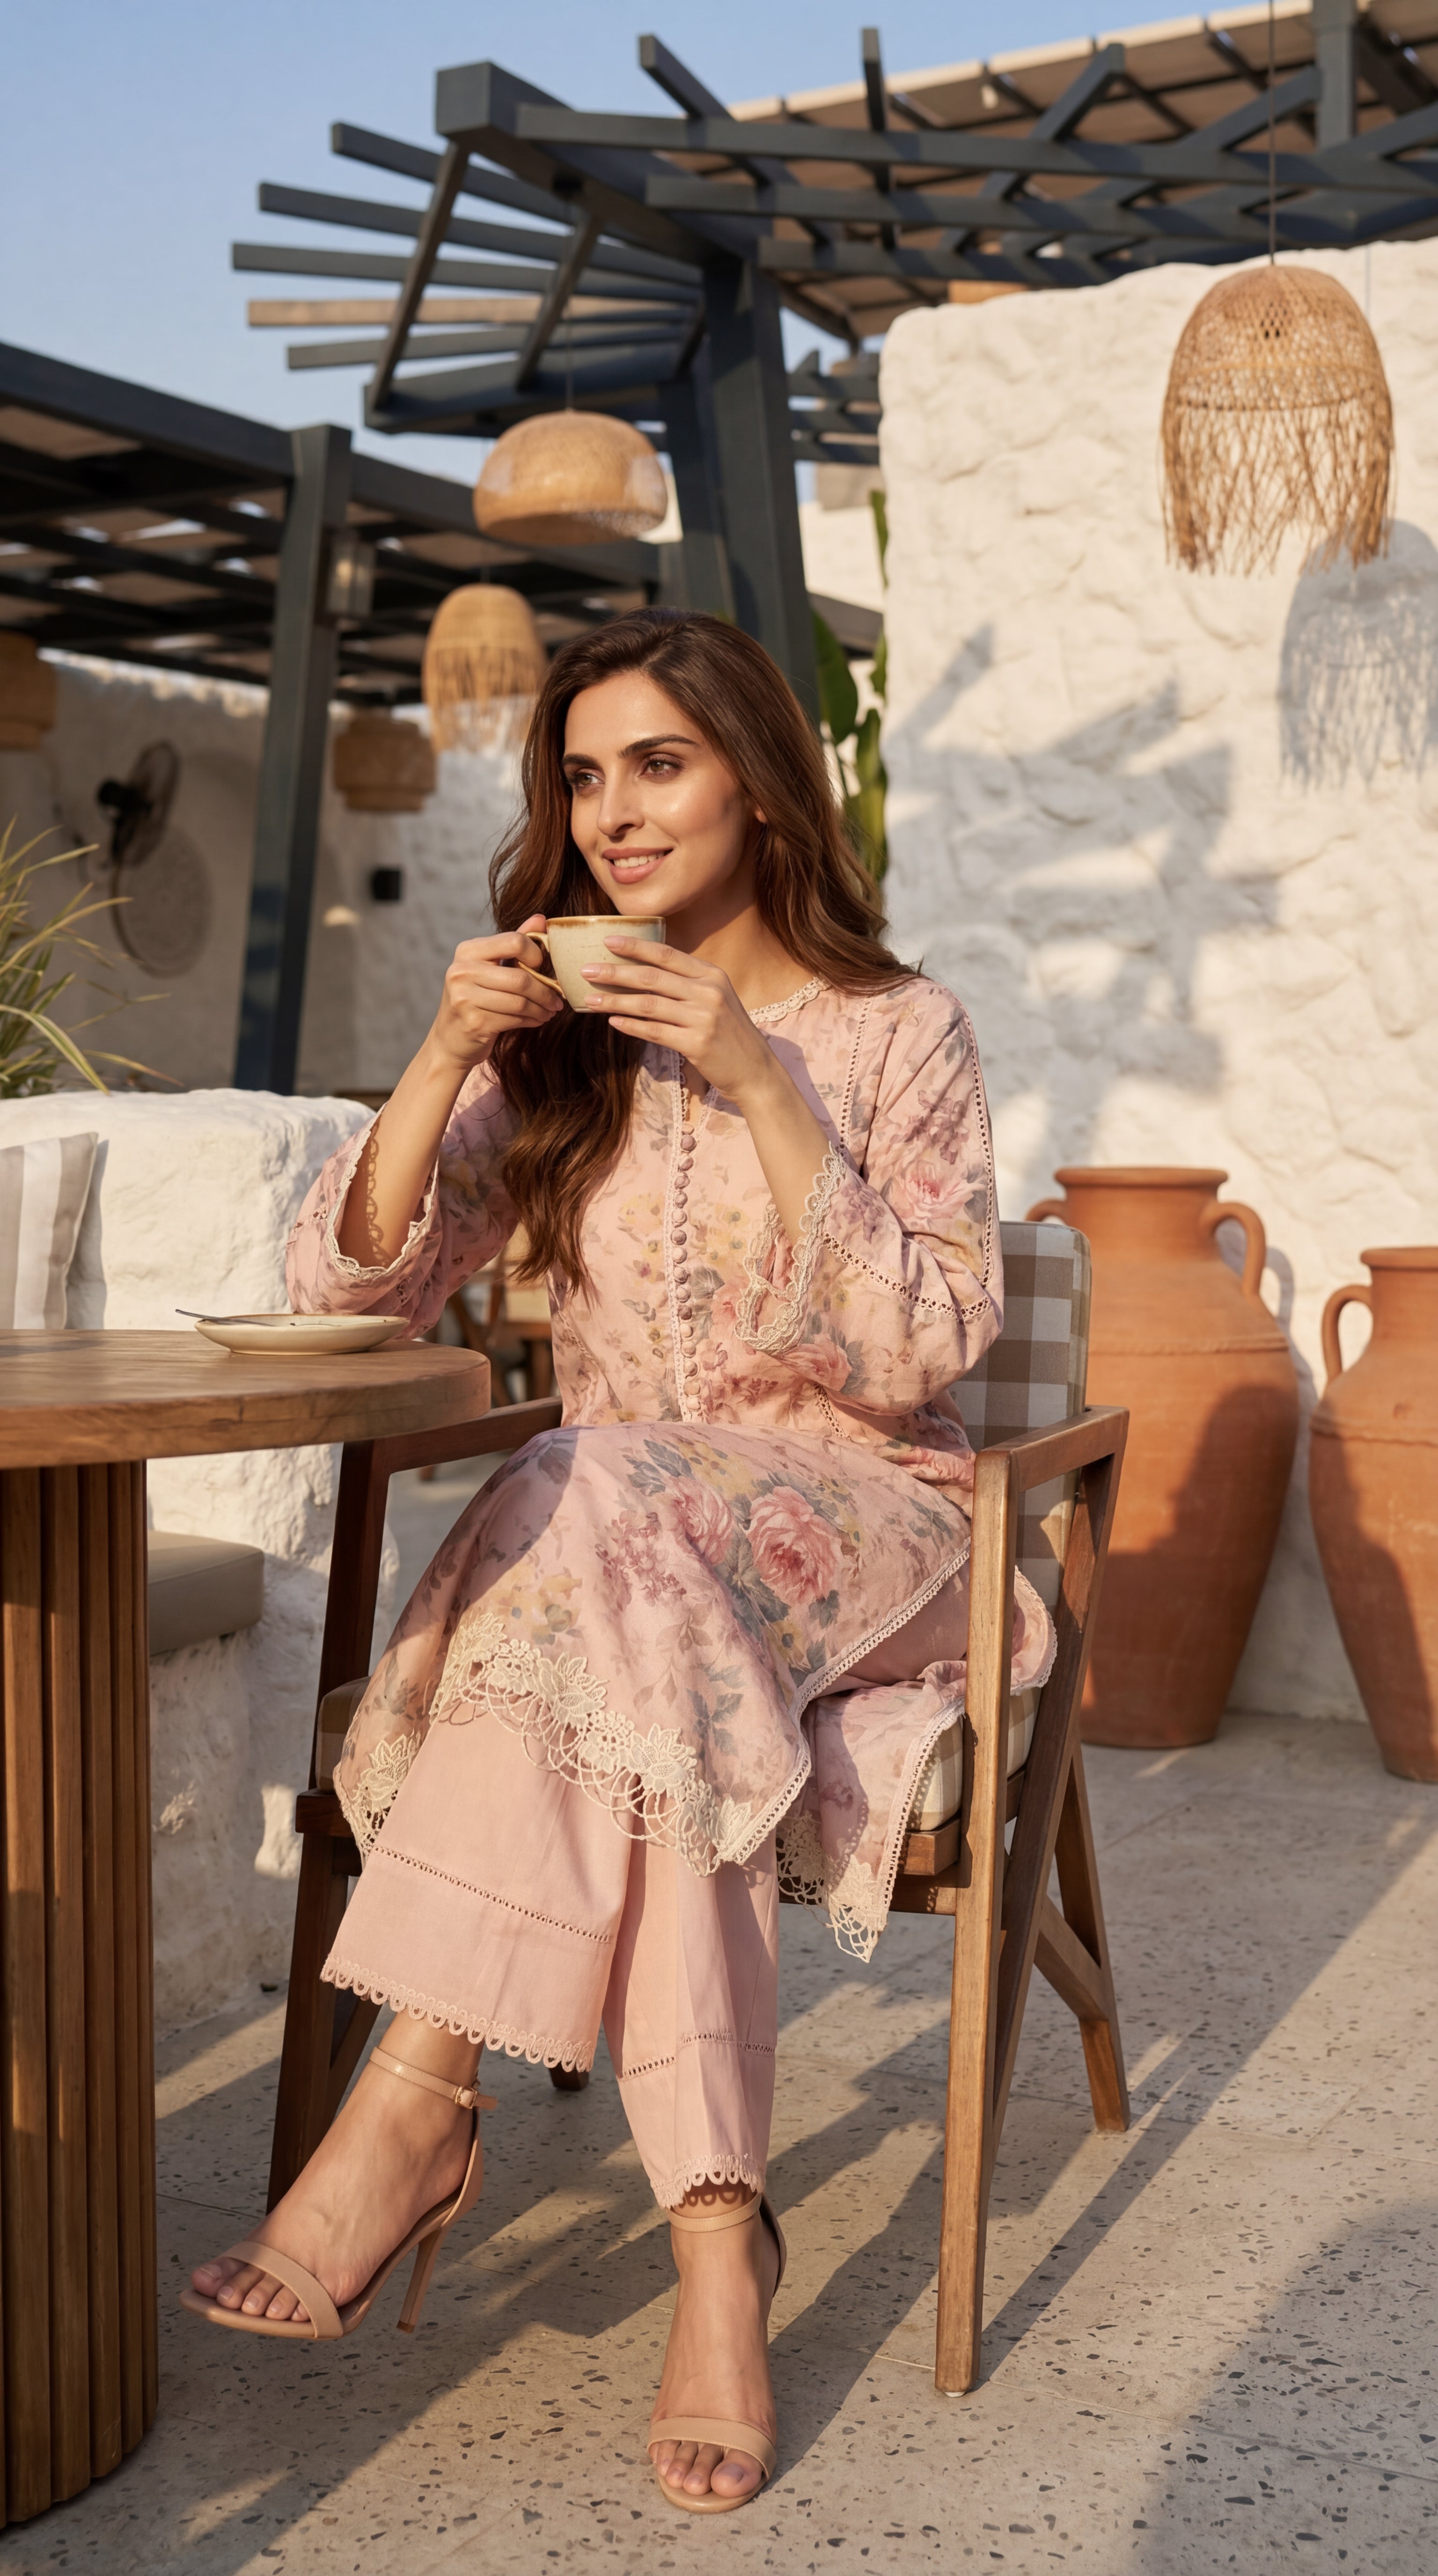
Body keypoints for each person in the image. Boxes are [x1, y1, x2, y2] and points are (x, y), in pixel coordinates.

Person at [184, 609, 1054, 2513]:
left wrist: (757, 1075)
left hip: (878, 1535)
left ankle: (413, 2089)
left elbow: (925, 1350)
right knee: (621, 1579)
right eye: (584, 775)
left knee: (597, 1490)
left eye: (657, 762)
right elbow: (344, 1289)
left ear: (758, 775)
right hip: (639, 1580)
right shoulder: (564, 1046)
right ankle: (721, 2238)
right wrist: (441, 1047)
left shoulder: (902, 1031)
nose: (612, 812)